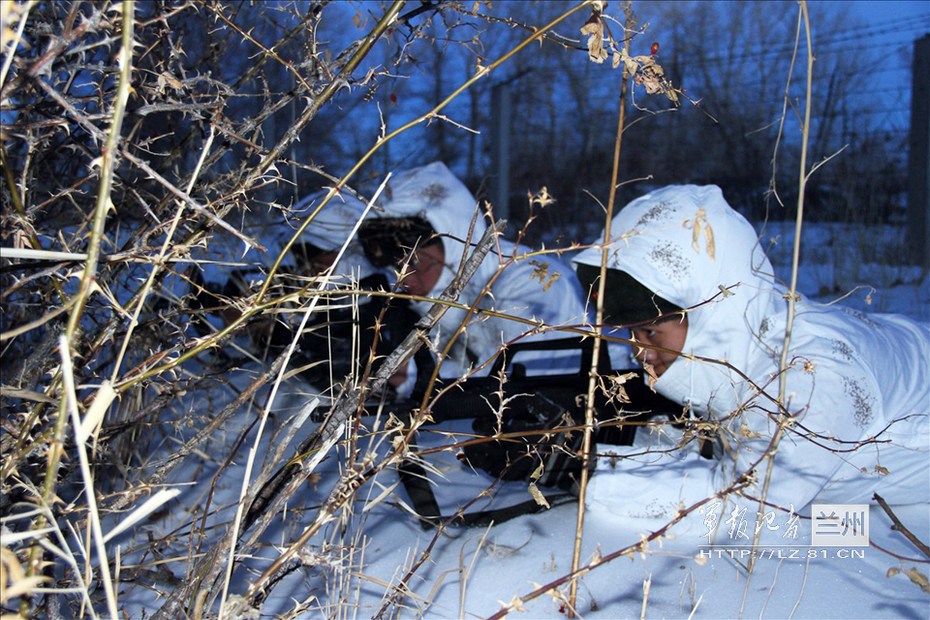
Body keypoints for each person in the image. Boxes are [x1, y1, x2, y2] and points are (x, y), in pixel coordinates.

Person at [572, 185, 929, 539]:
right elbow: (721, 460)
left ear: (710, 311)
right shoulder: (745, 342)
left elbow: (745, 509)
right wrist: (594, 457)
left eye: (650, 332)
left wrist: (596, 480)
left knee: (849, 537)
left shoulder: (811, 376)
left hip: (904, 516)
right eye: (630, 333)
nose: (639, 352)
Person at [357, 162, 589, 382]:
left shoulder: (524, 281)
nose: (405, 282)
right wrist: (405, 376)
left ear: (455, 244)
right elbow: (464, 366)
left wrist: (419, 380)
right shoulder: (455, 293)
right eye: (398, 268)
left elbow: (514, 380)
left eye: (415, 263)